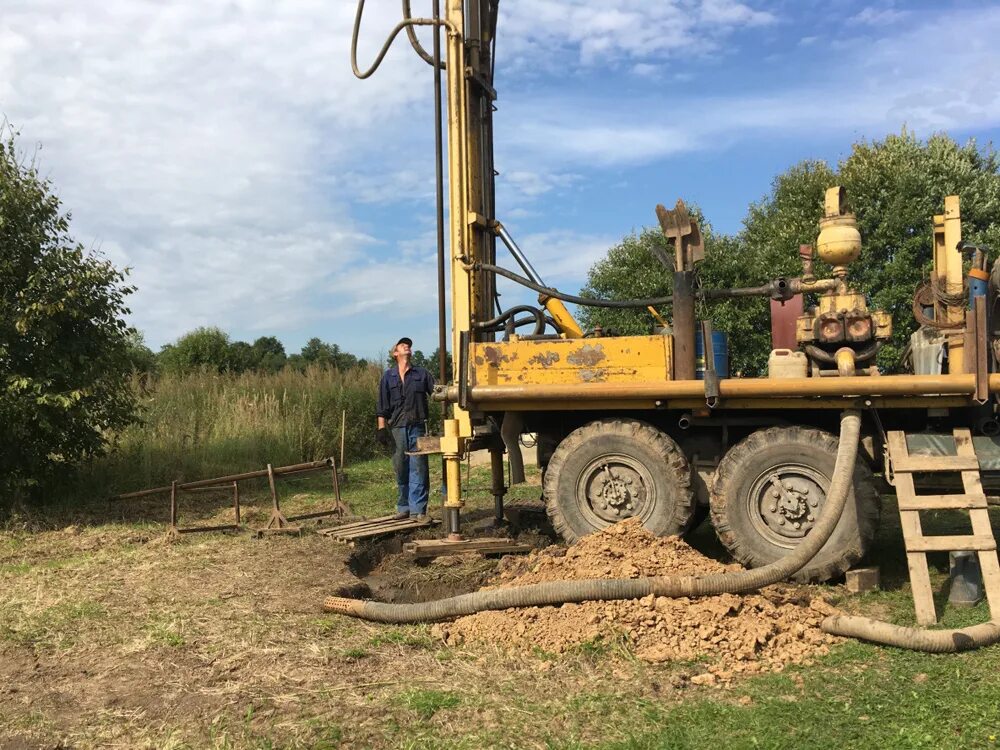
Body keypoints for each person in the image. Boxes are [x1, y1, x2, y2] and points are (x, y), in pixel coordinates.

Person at [375, 337, 434, 521]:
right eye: (402, 345)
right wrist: (381, 428)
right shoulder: (388, 376)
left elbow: (438, 393)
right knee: (401, 467)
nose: (407, 346)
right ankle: (404, 507)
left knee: (419, 468)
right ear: (395, 353)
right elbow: (382, 405)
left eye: (408, 345)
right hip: (397, 428)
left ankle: (418, 510)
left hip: (417, 426)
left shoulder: (422, 374)